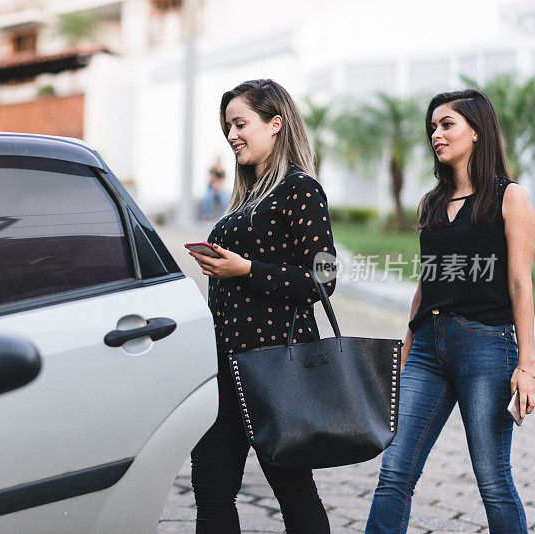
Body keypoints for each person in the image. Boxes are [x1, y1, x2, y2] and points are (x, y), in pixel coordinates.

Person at [366, 89, 535, 533]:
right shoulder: (434, 202)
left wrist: (527, 366)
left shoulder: (509, 196)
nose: (436, 134)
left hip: (485, 348)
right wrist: (406, 346)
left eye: (447, 124)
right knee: (393, 474)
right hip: (426, 349)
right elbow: (428, 280)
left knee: (493, 480)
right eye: (433, 126)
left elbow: (520, 282)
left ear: (476, 131)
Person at [188, 78, 335, 533]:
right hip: (225, 363)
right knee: (211, 487)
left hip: (277, 367)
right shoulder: (245, 199)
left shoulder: (300, 189)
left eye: (240, 123)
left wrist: (245, 270)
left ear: (275, 124)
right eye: (227, 126)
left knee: (293, 491)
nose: (231, 134)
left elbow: (324, 279)